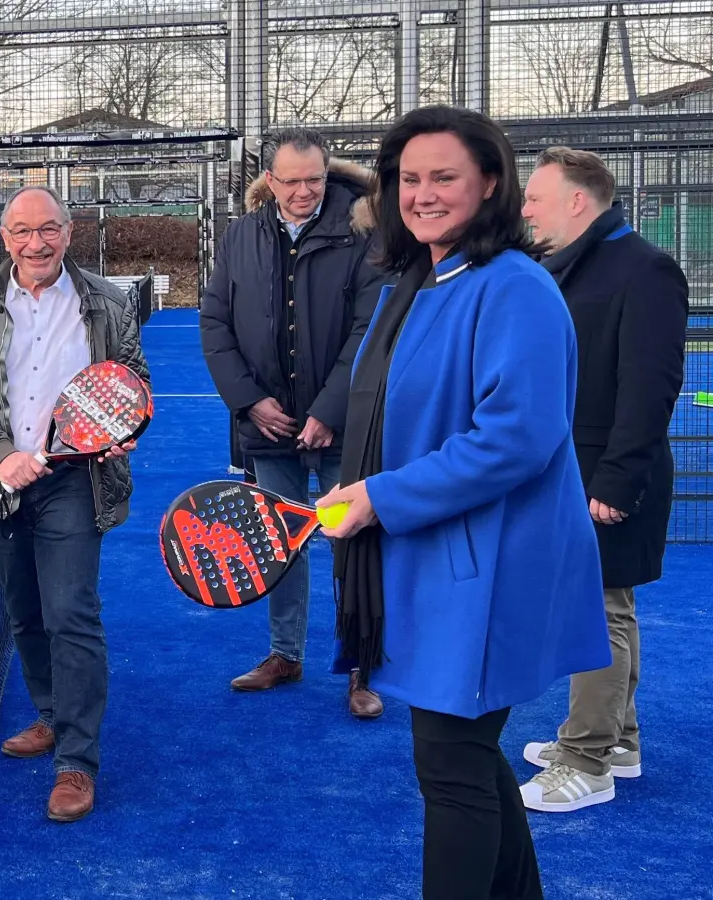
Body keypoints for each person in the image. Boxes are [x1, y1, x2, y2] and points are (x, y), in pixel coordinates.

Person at [316, 105, 610, 899]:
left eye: (443, 176)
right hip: (440, 562)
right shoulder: (413, 285)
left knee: (449, 768)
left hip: (490, 571)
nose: (423, 193)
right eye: (409, 178)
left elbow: (516, 438)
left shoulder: (515, 286)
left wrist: (378, 497)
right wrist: (366, 492)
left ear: (490, 183)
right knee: (466, 763)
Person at [0, 184, 148, 823]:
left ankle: (77, 762)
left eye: (48, 229)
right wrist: (0, 455)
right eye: (23, 232)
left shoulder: (108, 303)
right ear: (5, 240)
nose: (36, 243)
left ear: (68, 231)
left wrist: (124, 428)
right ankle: (52, 715)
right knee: (24, 614)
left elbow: (132, 380)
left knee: (70, 613)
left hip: (74, 483)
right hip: (1, 483)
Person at [516, 146, 688, 812]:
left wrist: (616, 482)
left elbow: (651, 387)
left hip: (612, 476)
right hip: (574, 472)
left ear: (577, 201)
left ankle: (587, 762)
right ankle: (620, 741)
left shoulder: (644, 269)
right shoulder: (565, 266)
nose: (525, 208)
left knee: (598, 612)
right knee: (610, 607)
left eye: (535, 197)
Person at [199, 127, 386, 718]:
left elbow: (369, 330)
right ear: (270, 180)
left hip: (343, 428)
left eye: (314, 180)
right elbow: (215, 320)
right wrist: (250, 401)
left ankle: (362, 668)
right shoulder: (241, 235)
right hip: (269, 430)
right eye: (291, 181)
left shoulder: (364, 234)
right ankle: (285, 654)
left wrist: (329, 412)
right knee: (279, 541)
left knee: (349, 542)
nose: (303, 192)